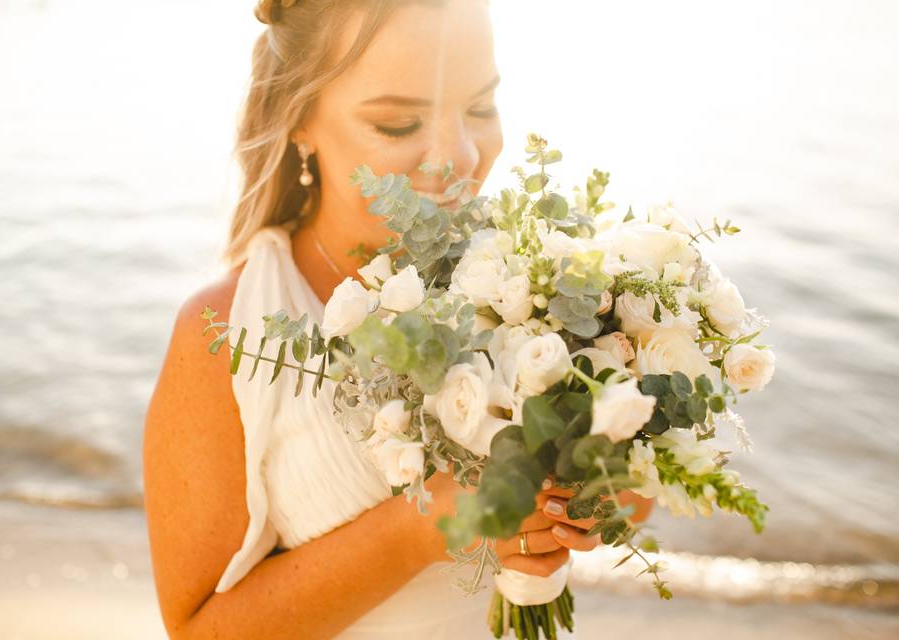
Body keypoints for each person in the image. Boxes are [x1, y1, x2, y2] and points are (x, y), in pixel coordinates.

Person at [144, 1, 650, 637]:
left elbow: (629, 499)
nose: (461, 155)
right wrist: (425, 526)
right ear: (298, 118)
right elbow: (197, 632)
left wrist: (596, 484)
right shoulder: (225, 332)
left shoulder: (533, 277)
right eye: (398, 123)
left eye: (481, 108)